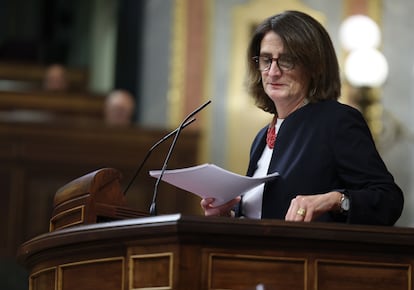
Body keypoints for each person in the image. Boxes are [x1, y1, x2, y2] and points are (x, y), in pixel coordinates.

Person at [201, 10, 404, 225]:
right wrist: (227, 216)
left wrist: (335, 200)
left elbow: (388, 200)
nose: (273, 71)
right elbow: (265, 215)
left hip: (311, 257)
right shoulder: (262, 137)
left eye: (286, 60)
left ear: (314, 66)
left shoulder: (337, 121)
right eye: (266, 59)